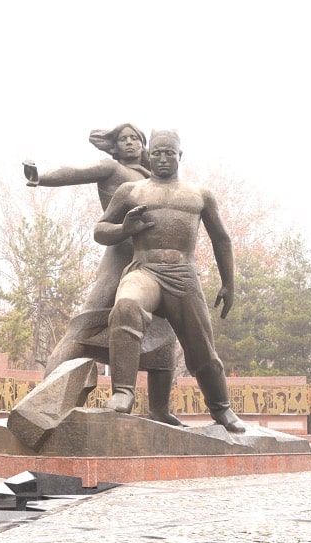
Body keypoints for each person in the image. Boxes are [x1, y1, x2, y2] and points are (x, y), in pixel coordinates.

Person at [23, 124, 181, 425]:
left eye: (135, 138)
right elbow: (76, 172)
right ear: (114, 146)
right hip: (118, 258)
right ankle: (43, 400)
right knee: (85, 325)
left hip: (151, 264)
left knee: (163, 334)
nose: (130, 143)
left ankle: (159, 409)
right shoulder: (113, 169)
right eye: (123, 139)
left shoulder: (155, 178)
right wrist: (41, 176)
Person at [95, 129, 246, 432]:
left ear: (180, 155)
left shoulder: (199, 194)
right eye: (157, 153)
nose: (163, 159)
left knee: (202, 349)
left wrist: (229, 283)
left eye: (169, 153)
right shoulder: (130, 191)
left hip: (183, 275)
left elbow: (221, 239)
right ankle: (123, 391)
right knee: (126, 306)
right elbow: (100, 230)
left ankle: (221, 408)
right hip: (145, 269)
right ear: (148, 155)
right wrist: (125, 229)